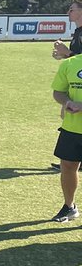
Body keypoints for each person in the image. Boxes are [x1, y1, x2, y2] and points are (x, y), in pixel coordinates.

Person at [49, 44, 82, 222]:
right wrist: (67, 102)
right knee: (68, 167)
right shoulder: (70, 63)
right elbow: (58, 92)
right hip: (72, 128)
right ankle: (69, 207)